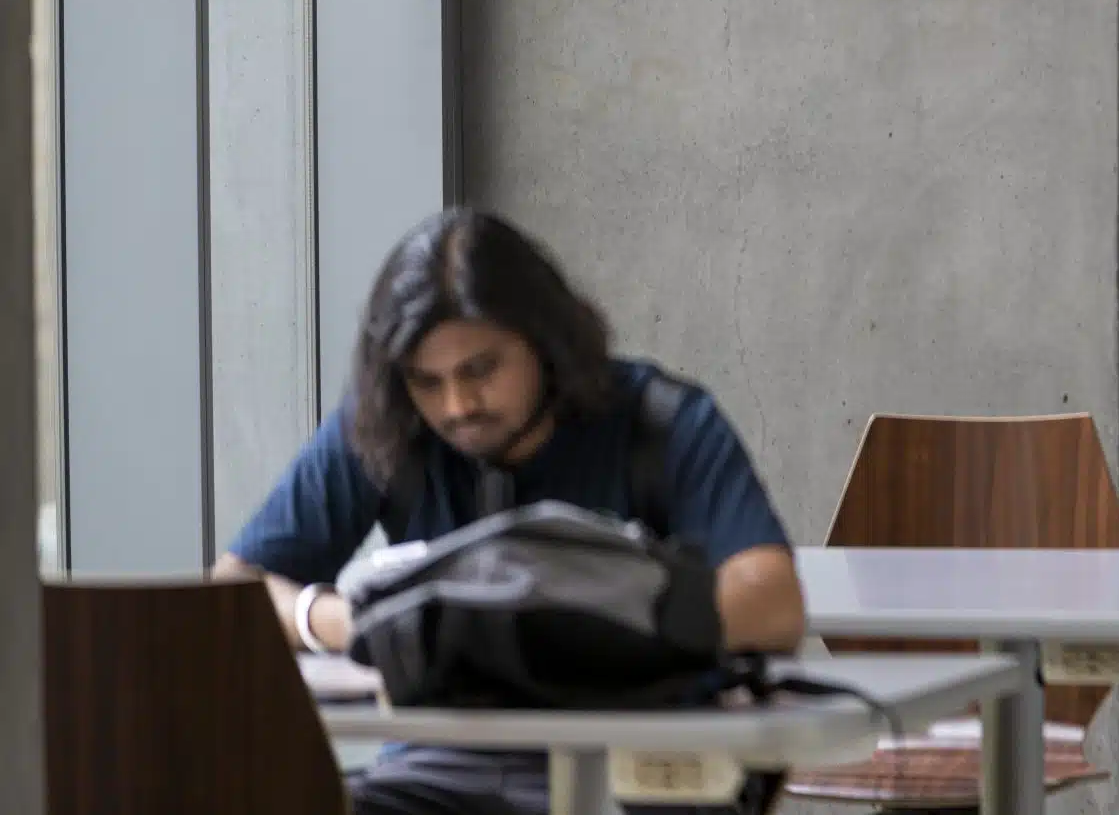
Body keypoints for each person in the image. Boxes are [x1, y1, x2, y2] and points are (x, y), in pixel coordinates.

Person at [215, 207, 806, 815]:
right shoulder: (387, 428)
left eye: (481, 370)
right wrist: (357, 623)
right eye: (427, 381)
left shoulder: (662, 421)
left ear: (545, 340)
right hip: (440, 769)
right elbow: (232, 591)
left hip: (637, 767)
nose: (457, 405)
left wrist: (574, 621)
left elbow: (774, 602)